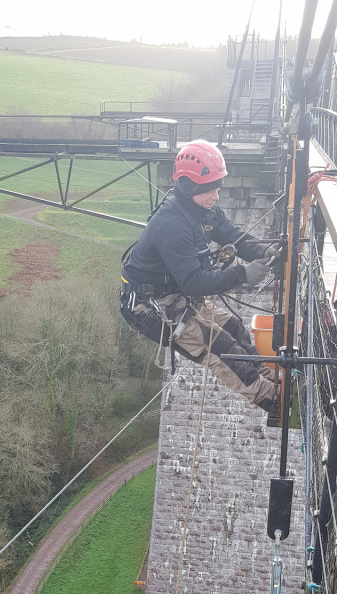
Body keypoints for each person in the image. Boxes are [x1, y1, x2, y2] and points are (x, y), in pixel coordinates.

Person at [119, 139, 282, 415]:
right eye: (211, 189)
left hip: (178, 293)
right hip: (150, 305)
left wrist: (265, 251)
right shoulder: (171, 225)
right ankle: (274, 399)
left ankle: (272, 378)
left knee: (234, 328)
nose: (216, 196)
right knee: (222, 347)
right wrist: (242, 273)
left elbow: (235, 238)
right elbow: (195, 281)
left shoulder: (204, 210)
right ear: (190, 187)